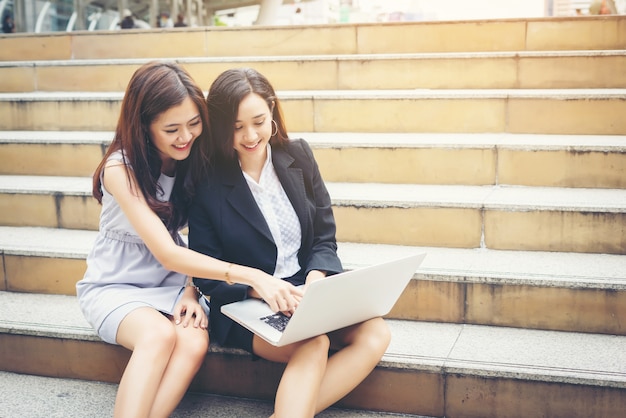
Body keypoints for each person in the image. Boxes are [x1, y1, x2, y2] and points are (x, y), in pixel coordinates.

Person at [76, 62, 302, 418]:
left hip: (174, 283)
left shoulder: (193, 158)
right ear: (144, 125)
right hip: (117, 282)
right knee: (158, 337)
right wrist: (254, 275)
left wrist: (191, 290)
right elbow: (166, 252)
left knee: (195, 341)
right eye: (171, 129)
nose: (185, 136)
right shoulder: (120, 169)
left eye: (194, 124)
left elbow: (191, 243)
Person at [188, 67, 391, 418]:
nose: (250, 135)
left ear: (272, 112)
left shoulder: (298, 155)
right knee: (314, 343)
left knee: (376, 334)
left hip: (305, 291)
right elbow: (206, 274)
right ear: (221, 126)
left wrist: (315, 281)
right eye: (236, 127)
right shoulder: (207, 181)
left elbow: (324, 237)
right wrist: (261, 289)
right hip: (245, 304)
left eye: (258, 121)